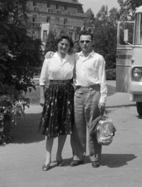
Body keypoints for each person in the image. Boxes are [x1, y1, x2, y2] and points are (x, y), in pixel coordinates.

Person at [70, 30, 107, 168]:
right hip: (79, 92)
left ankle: (94, 157)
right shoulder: (75, 57)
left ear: (92, 42)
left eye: (87, 41)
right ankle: (78, 156)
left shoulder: (98, 58)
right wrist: (49, 54)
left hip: (94, 91)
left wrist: (103, 98)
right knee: (78, 126)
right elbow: (62, 57)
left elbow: (102, 78)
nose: (84, 44)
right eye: (82, 41)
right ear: (78, 43)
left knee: (93, 126)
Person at [39, 35, 75, 171]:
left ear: (69, 46)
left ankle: (59, 155)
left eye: (66, 44)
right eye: (61, 44)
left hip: (67, 94)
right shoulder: (49, 58)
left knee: (63, 126)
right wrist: (42, 97)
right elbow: (42, 81)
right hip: (53, 93)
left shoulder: (73, 58)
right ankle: (48, 158)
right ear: (57, 44)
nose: (64, 46)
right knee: (50, 127)